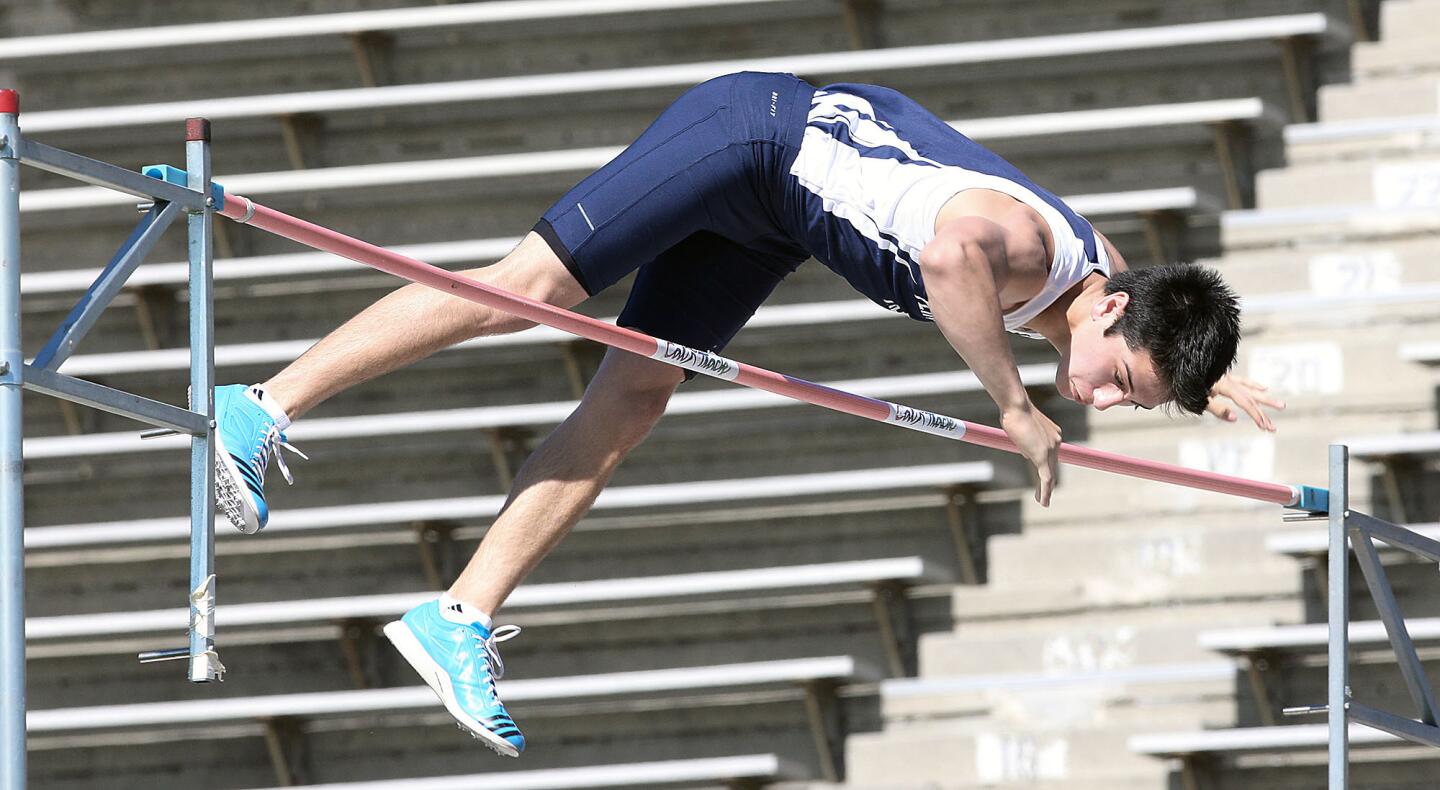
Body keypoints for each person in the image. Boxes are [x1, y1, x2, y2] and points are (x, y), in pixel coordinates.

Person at [207, 71, 1283, 757]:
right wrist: (1012, 405)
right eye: (1119, 379)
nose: (1096, 398)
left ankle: (460, 614)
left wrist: (1203, 375)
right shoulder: (1034, 252)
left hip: (779, 216)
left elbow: (1151, 297)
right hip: (753, 139)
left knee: (636, 389)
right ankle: (260, 405)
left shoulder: (1109, 287)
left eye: (1124, 399)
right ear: (1110, 310)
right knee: (526, 291)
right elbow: (955, 256)